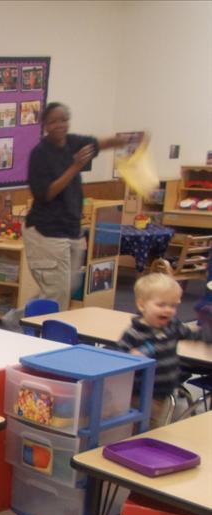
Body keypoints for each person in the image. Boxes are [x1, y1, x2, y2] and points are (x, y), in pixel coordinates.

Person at [24, 102, 132, 310]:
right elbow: (46, 193)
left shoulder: (73, 143)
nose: (59, 125)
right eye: (53, 121)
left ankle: (19, 319)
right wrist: (75, 167)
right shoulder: (40, 153)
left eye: (63, 120)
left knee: (67, 287)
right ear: (45, 125)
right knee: (58, 293)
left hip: (71, 230)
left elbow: (99, 144)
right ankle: (37, 329)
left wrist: (125, 141)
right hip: (46, 231)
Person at [117, 272, 204, 428]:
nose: (168, 310)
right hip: (140, 393)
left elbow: (193, 335)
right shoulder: (134, 333)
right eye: (161, 305)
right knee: (139, 428)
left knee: (154, 426)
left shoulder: (173, 326)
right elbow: (116, 358)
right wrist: (130, 357)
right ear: (142, 305)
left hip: (163, 393)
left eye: (173, 305)